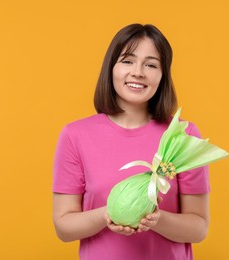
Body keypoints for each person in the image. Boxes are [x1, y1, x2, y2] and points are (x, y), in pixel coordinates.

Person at [52, 24, 210, 260]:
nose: (138, 72)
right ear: (111, 68)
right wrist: (110, 213)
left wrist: (156, 219)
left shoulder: (181, 136)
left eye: (151, 64)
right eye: (127, 61)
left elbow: (198, 228)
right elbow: (64, 227)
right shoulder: (75, 135)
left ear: (162, 75)